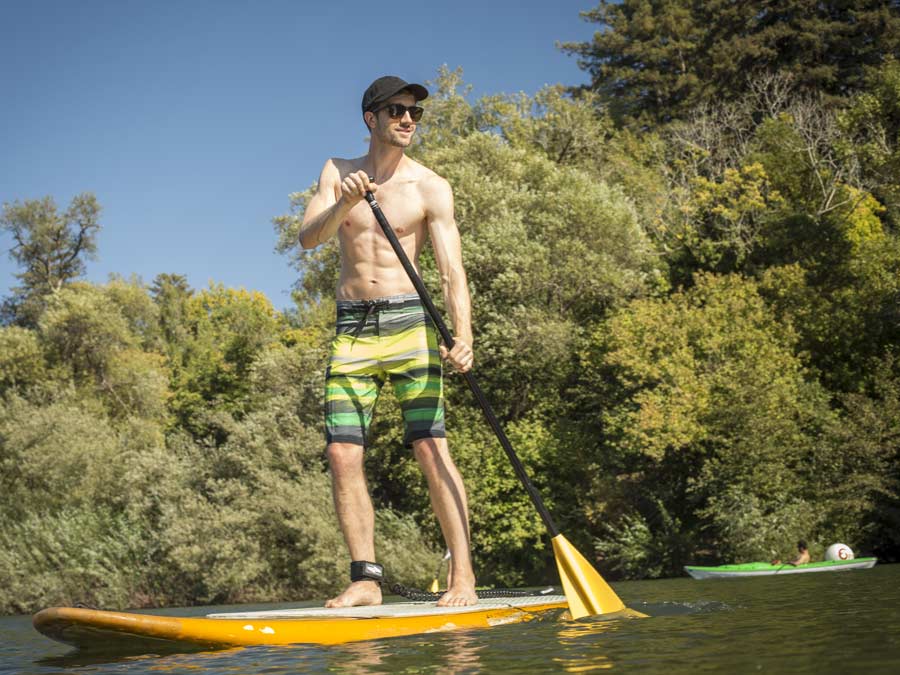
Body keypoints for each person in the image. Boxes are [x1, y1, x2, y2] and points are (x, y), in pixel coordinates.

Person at [299, 76, 478, 608]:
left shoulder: (430, 187)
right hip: (351, 328)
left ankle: (462, 576)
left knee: (429, 446)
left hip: (410, 324)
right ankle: (365, 579)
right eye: (397, 110)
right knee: (341, 453)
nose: (408, 120)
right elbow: (309, 239)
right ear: (370, 118)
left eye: (415, 113)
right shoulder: (338, 172)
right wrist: (343, 204)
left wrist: (463, 335)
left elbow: (451, 273)